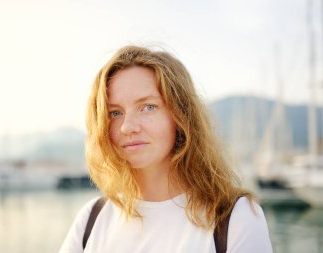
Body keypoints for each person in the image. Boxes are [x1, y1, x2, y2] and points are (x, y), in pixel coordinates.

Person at [59, 45, 273, 253]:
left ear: (181, 117)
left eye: (148, 107)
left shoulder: (235, 218)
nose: (127, 127)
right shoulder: (92, 218)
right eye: (115, 113)